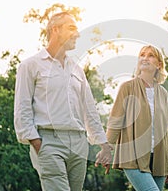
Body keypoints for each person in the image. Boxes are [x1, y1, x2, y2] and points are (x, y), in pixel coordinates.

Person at [14, 12, 111, 191]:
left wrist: (104, 145)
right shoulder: (30, 65)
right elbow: (22, 109)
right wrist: (37, 143)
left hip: (78, 143)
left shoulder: (77, 69)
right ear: (55, 29)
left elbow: (89, 109)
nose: (78, 34)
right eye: (71, 28)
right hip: (49, 142)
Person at [106, 45, 168, 190]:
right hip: (132, 157)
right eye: (142, 54)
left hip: (159, 159)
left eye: (150, 55)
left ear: (159, 65)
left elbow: (167, 130)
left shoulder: (163, 93)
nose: (145, 58)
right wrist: (107, 149)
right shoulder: (127, 87)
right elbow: (115, 120)